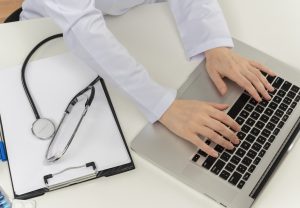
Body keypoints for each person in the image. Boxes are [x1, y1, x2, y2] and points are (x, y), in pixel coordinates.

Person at [20, 0, 275, 157]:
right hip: (52, 34)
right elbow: (82, 27)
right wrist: (162, 105)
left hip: (135, 17)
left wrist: (214, 43)